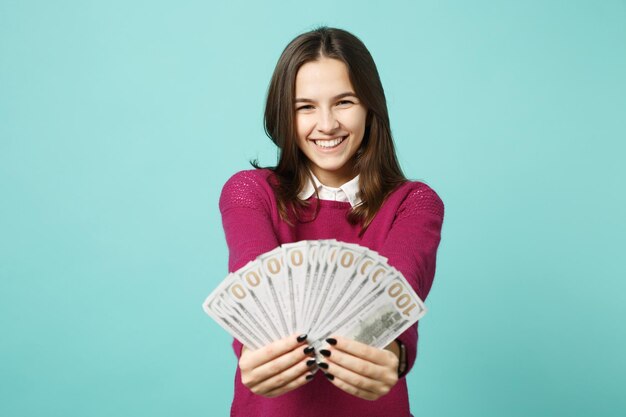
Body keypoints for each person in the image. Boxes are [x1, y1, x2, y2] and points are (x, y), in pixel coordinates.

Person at [218, 26, 444, 417]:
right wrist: (254, 351)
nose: (326, 124)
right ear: (284, 115)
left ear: (370, 107)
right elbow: (254, 289)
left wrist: (395, 350)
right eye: (305, 106)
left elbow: (398, 298)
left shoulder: (414, 203)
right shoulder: (250, 192)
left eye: (344, 102)